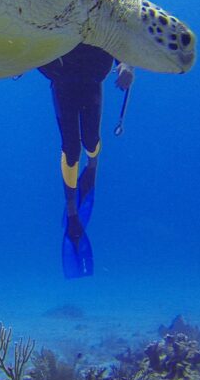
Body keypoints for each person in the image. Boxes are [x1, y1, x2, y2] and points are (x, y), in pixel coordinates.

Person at [38, 43, 134, 278]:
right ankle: (71, 213)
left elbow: (117, 32)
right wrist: (18, 61)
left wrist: (125, 66)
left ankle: (93, 166)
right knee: (71, 149)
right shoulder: (55, 9)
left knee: (90, 141)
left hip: (91, 78)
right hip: (63, 80)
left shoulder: (102, 9)